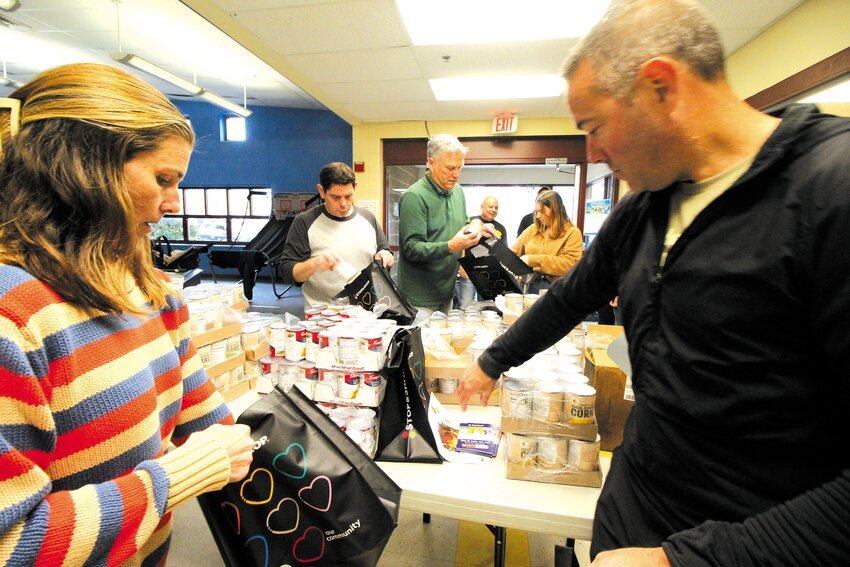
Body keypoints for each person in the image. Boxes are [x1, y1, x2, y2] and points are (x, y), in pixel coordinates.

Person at [457, 0, 850, 565]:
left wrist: (679, 561)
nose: (593, 152)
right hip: (634, 513)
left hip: (754, 539)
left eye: (595, 127)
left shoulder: (828, 192)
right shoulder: (647, 207)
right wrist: (492, 361)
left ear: (661, 87)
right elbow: (574, 296)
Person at [0, 63, 255, 565]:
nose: (173, 203)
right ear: (83, 167)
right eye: (162, 178)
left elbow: (204, 418)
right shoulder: (16, 320)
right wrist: (181, 475)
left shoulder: (151, 293)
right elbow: (12, 545)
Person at [398, 134, 487, 323]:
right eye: (450, 168)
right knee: (420, 351)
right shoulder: (415, 197)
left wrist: (477, 227)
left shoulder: (458, 192)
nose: (456, 174)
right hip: (419, 300)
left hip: (446, 293)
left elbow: (462, 225)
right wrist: (452, 246)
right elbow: (412, 249)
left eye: (460, 167)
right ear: (431, 163)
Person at [279, 162, 394, 308]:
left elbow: (385, 251)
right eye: (336, 197)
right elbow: (288, 273)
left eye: (348, 196)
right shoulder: (305, 222)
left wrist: (386, 256)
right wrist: (315, 263)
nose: (344, 204)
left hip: (366, 315)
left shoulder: (368, 218)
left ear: (355, 187)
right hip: (324, 316)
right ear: (321, 191)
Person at [512, 190, 583, 294]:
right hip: (531, 286)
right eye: (536, 212)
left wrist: (532, 259)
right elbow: (513, 251)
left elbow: (570, 264)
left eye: (541, 211)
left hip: (558, 289)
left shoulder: (572, 232)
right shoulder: (532, 229)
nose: (538, 216)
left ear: (554, 210)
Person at [455, 195, 507, 309]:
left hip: (489, 273)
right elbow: (461, 244)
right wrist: (461, 266)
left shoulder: (501, 228)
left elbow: (502, 252)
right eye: (490, 207)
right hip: (469, 270)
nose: (493, 210)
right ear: (482, 207)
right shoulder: (471, 222)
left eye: (496, 207)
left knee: (487, 307)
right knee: (465, 305)